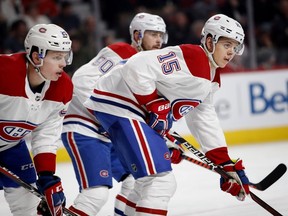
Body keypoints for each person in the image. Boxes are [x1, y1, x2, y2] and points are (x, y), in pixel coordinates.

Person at [84, 14, 250, 215]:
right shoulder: (194, 57)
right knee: (160, 181)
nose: (231, 52)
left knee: (144, 184)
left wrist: (224, 162)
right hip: (121, 104)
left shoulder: (212, 77)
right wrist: (153, 102)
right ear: (209, 41)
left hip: (125, 108)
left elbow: (203, 118)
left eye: (235, 46)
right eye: (226, 44)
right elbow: (135, 66)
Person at [61, 12, 171, 216]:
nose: (158, 41)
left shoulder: (150, 66)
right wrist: (104, 114)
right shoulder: (122, 51)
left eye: (161, 35)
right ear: (137, 35)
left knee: (135, 180)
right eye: (153, 34)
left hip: (110, 132)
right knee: (95, 195)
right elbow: (82, 80)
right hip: (86, 126)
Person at [0, 23, 73, 216]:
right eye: (57, 57)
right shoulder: (4, 71)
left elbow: (46, 134)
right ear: (36, 56)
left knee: (29, 207)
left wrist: (47, 176)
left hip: (11, 146)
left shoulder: (63, 88)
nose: (63, 63)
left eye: (65, 56)